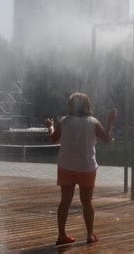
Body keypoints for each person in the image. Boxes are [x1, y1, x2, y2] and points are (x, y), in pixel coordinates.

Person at [45, 92, 117, 246]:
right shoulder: (93, 122)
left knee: (65, 201)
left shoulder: (64, 121)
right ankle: (90, 234)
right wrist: (109, 121)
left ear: (71, 106)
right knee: (87, 201)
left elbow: (53, 138)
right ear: (87, 105)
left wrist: (50, 126)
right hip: (87, 167)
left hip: (66, 166)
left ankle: (62, 235)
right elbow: (107, 138)